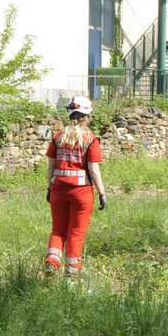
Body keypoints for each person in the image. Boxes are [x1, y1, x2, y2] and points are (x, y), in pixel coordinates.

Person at [44, 96, 107, 278]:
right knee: (76, 233)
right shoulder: (91, 139)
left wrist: (49, 188)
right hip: (81, 194)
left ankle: (51, 263)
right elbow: (94, 170)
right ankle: (70, 276)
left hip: (58, 191)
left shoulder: (58, 137)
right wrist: (102, 193)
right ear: (87, 116)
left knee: (58, 230)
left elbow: (51, 167)